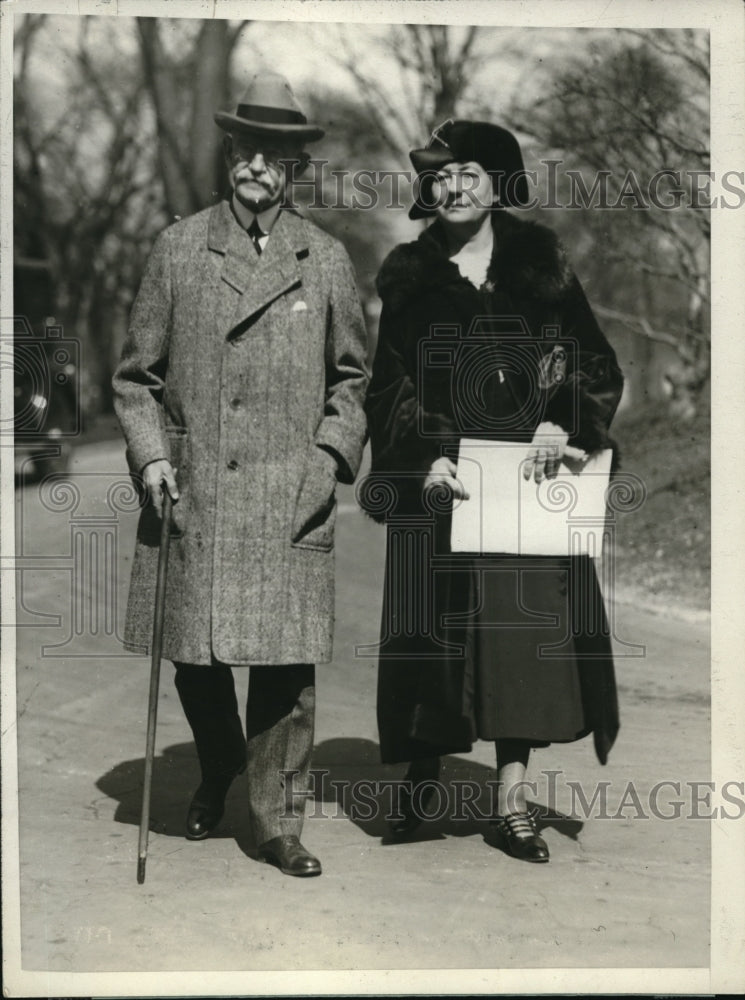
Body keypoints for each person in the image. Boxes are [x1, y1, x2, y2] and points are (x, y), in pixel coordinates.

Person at [113, 73, 368, 877]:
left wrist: (328, 460)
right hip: (196, 489)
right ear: (230, 155)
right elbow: (135, 378)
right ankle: (222, 763)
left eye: (276, 153)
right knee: (199, 656)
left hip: (290, 493)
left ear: (294, 167)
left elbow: (352, 379)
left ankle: (276, 823)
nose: (258, 164)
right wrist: (152, 454)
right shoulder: (178, 246)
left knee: (284, 669)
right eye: (246, 149)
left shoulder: (324, 259)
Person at [361, 119, 623, 863]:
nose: (450, 186)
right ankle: (419, 781)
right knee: (429, 639)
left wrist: (562, 423)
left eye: (467, 172)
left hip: (524, 488)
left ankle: (510, 799)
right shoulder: (409, 277)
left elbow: (594, 365)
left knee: (518, 646)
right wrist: (417, 462)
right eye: (439, 176)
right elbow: (388, 389)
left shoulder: (539, 270)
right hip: (443, 486)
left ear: (500, 182)